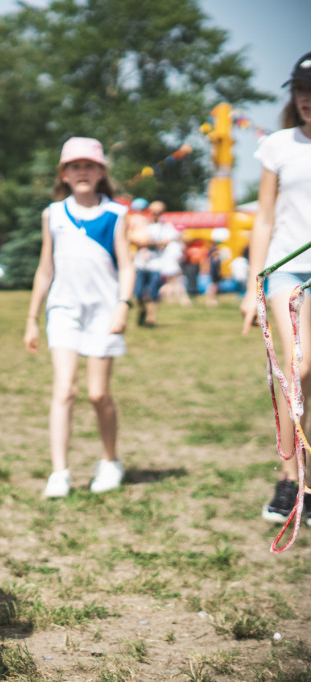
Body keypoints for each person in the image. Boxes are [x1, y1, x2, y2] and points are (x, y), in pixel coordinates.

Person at [24, 137, 134, 498]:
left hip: (104, 311)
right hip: (64, 310)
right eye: (75, 166)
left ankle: (110, 460)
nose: (82, 172)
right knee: (64, 389)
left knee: (98, 393)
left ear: (101, 172)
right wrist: (32, 318)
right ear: (64, 174)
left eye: (89, 166)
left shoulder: (116, 214)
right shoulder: (53, 213)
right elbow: (45, 269)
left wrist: (123, 304)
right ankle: (60, 472)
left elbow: (127, 265)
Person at [240, 51, 311, 523]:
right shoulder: (278, 146)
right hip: (286, 269)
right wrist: (252, 285)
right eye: (301, 90)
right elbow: (263, 217)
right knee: (297, 367)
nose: (307, 100)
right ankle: (289, 481)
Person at [130, 200, 176, 326]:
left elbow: (166, 241)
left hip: (156, 265)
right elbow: (133, 239)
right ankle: (143, 310)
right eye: (153, 212)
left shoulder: (166, 227)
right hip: (141, 264)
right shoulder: (143, 225)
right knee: (138, 293)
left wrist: (149, 243)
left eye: (158, 212)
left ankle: (151, 318)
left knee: (152, 293)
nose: (155, 214)